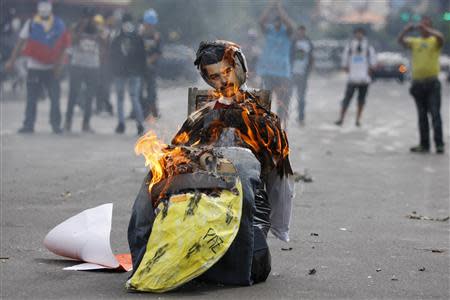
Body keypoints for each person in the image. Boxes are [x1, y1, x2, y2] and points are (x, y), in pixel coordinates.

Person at [128, 41, 294, 290]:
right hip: (196, 216)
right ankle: (146, 257)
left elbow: (281, 180)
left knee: (252, 261)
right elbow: (172, 166)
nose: (223, 81)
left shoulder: (263, 120)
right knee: (156, 170)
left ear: (240, 68)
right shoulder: (199, 118)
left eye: (226, 72)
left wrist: (280, 227)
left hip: (243, 224)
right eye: (214, 76)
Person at [5, 1, 70, 134]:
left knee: (55, 98)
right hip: (34, 67)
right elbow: (20, 43)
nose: (45, 9)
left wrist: (60, 65)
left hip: (52, 68)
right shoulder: (31, 23)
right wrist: (11, 61)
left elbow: (64, 46)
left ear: (51, 8)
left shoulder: (59, 24)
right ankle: (28, 124)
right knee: (31, 98)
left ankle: (56, 125)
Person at [398, 17, 445, 154]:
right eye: (422, 26)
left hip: (432, 83)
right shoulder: (415, 42)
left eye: (426, 25)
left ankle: (439, 144)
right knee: (422, 116)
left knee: (435, 114)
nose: (423, 28)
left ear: (430, 27)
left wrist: (429, 31)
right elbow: (400, 41)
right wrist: (406, 30)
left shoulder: (434, 41)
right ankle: (424, 145)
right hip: (418, 84)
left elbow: (441, 38)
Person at [64, 8, 104, 133]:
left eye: (90, 18)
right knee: (73, 94)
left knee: (89, 96)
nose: (88, 20)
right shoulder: (76, 28)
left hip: (93, 66)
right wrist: (80, 29)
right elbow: (72, 41)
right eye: (85, 17)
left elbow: (104, 43)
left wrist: (98, 32)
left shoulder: (97, 29)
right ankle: (68, 122)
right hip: (77, 65)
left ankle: (86, 123)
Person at [256, 1, 295, 128]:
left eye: (279, 21)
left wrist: (279, 8)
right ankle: (263, 125)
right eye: (275, 21)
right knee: (264, 100)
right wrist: (270, 6)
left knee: (282, 101)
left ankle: (279, 125)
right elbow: (261, 22)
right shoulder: (270, 31)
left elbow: (290, 25)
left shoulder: (287, 32)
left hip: (283, 73)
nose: (277, 23)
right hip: (267, 71)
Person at [110, 13, 146, 135]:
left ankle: (139, 124)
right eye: (126, 22)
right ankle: (124, 124)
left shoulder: (133, 38)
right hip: (122, 73)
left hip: (132, 73)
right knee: (124, 98)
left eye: (128, 21)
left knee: (133, 97)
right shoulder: (122, 38)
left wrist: (142, 71)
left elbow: (142, 57)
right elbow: (113, 56)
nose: (127, 24)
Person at [335, 27, 376, 127]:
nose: (359, 35)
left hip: (364, 79)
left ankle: (358, 120)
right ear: (355, 34)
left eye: (361, 33)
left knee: (361, 100)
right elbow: (344, 60)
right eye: (357, 33)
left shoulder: (368, 47)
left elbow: (373, 62)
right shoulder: (350, 46)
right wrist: (346, 68)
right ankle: (341, 118)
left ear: (363, 34)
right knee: (346, 99)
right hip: (352, 78)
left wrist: (369, 72)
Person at [140, 9, 161, 119]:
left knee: (151, 91)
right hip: (141, 68)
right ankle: (140, 111)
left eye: (151, 25)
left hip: (152, 68)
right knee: (139, 90)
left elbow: (158, 52)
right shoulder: (140, 35)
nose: (149, 27)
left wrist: (149, 60)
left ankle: (152, 111)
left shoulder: (156, 36)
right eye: (148, 24)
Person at [291, 25, 314, 126]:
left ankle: (301, 117)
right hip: (292, 73)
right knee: (288, 95)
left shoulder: (309, 43)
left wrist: (309, 71)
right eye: (299, 31)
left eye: (302, 31)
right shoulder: (293, 43)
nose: (300, 33)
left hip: (303, 74)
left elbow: (312, 58)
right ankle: (286, 116)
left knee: (301, 97)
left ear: (305, 32)